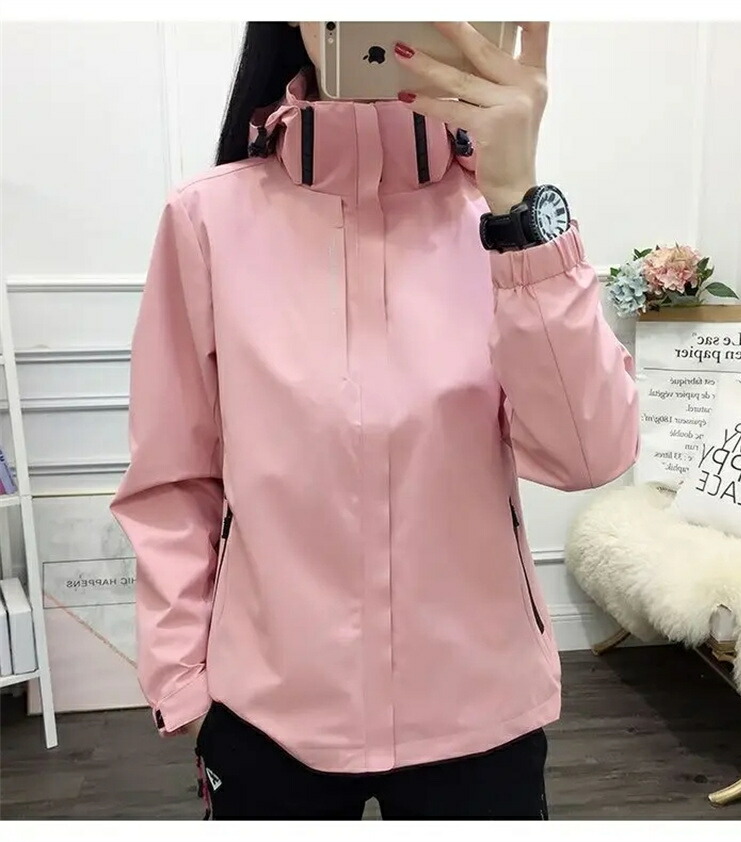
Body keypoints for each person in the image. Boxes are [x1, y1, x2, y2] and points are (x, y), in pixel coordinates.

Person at [110, 21, 639, 820]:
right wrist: (185, 681)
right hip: (269, 713)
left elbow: (588, 455)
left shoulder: (501, 222)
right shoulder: (205, 220)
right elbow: (172, 478)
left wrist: (519, 209)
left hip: (480, 710)